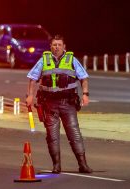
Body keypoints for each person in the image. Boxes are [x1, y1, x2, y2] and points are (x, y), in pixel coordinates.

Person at [26, 34, 92, 173]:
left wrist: (85, 94)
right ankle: (56, 165)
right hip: (49, 104)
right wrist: (30, 96)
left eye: (59, 45)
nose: (56, 47)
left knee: (74, 134)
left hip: (68, 103)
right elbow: (32, 78)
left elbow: (84, 78)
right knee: (52, 137)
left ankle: (83, 164)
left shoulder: (72, 60)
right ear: (50, 47)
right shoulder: (43, 60)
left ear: (64, 47)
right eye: (54, 45)